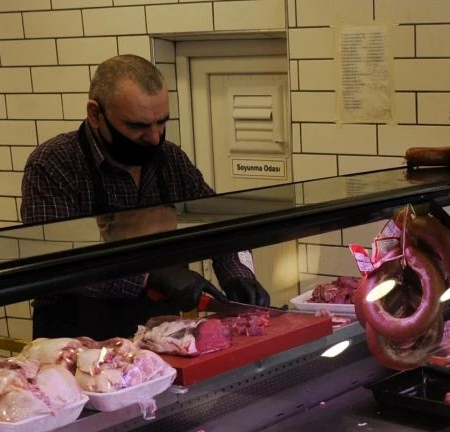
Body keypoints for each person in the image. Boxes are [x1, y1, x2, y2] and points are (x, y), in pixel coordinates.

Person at [20, 54, 269, 339]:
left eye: (161, 123)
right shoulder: (53, 164)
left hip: (157, 338)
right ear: (95, 114)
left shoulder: (170, 160)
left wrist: (238, 274)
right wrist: (150, 276)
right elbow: (53, 266)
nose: (154, 137)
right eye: (138, 126)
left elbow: (219, 225)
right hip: (77, 346)